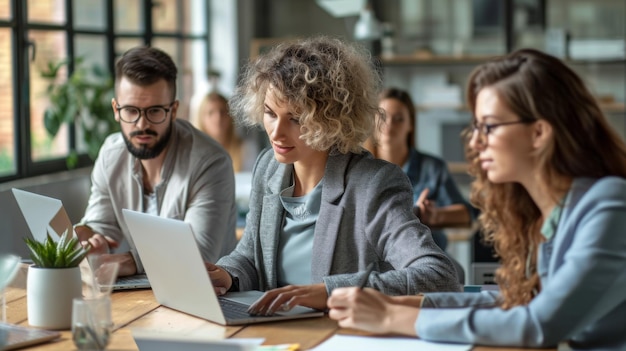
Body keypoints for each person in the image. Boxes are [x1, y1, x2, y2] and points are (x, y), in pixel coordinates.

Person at [327, 48, 626, 350]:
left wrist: (391, 317)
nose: (474, 141)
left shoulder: (609, 205)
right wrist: (415, 304)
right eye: (476, 127)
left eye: (490, 127)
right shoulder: (547, 212)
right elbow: (516, 301)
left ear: (539, 133)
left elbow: (538, 323)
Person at [206, 36, 461, 315]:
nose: (276, 133)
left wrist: (330, 292)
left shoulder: (372, 184)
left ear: (331, 118)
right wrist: (228, 274)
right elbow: (251, 256)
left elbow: (439, 276)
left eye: (296, 118)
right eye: (270, 113)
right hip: (274, 336)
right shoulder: (269, 167)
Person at [74, 46, 238, 276]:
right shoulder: (111, 154)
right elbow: (101, 224)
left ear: (173, 110)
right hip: (143, 294)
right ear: (116, 109)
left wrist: (132, 262)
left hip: (209, 294)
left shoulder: (210, 162)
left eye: (154, 111)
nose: (141, 125)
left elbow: (199, 253)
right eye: (131, 111)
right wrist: (85, 238)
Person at [366, 88, 476, 250]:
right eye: (382, 117)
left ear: (410, 125)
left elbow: (467, 214)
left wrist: (435, 215)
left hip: (425, 256)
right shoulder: (361, 169)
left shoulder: (431, 168)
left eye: (399, 119)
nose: (389, 124)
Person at [192, 91, 258, 173]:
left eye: (222, 111)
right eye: (211, 112)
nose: (218, 118)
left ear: (230, 116)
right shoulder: (193, 153)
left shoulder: (247, 149)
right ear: (201, 119)